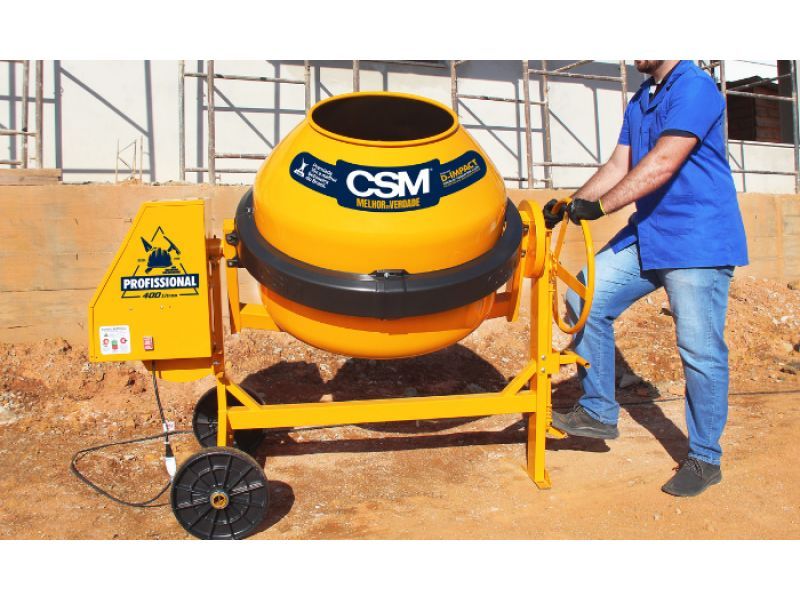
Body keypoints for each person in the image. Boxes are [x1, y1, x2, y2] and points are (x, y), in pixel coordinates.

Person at [545, 60, 748, 497]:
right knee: (585, 297)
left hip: (697, 238)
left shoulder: (695, 87)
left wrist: (602, 207)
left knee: (699, 349)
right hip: (650, 232)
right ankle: (598, 410)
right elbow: (620, 164)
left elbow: (664, 161)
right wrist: (570, 204)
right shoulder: (641, 99)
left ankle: (705, 458)